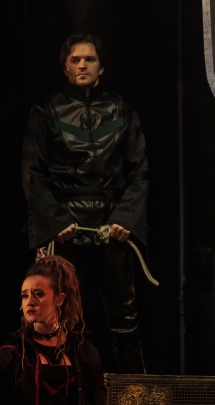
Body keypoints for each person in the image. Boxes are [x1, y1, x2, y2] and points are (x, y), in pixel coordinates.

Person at [21, 33, 150, 374]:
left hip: (111, 222)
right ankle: (57, 388)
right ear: (65, 68)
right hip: (64, 224)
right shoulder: (47, 111)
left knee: (125, 316)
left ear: (101, 67)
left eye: (89, 59)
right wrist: (55, 222)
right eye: (75, 60)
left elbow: (139, 172)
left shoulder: (121, 110)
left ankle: (134, 391)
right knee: (56, 314)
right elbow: (33, 174)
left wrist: (125, 219)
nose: (82, 65)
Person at [0, 254, 106, 404]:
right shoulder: (11, 353)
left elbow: (98, 398)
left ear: (59, 299)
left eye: (38, 294)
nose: (29, 302)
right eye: (24, 296)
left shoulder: (82, 349)